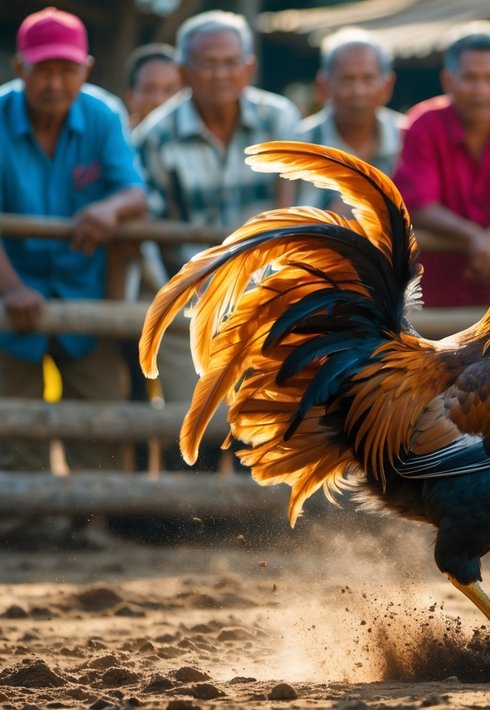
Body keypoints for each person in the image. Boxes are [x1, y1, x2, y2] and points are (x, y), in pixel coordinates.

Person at [133, 9, 301, 449]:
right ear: (184, 71)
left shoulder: (278, 118)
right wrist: (169, 294)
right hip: (189, 298)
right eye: (207, 63)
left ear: (249, 66)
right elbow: (147, 232)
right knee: (192, 426)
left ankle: (261, 517)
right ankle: (185, 519)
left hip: (270, 296)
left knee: (267, 420)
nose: (220, 73)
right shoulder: (156, 135)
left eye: (231, 62)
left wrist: (283, 288)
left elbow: (296, 205)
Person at [0, 7, 147, 480]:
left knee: (101, 411)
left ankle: (92, 528)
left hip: (85, 288)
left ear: (86, 69)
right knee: (13, 419)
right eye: (43, 69)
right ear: (20, 68)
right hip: (9, 292)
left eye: (67, 69)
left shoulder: (102, 114)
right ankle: (24, 526)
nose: (54, 82)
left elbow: (134, 190)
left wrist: (110, 208)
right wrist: (10, 289)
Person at [393, 21, 490, 308]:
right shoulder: (422, 125)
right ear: (448, 80)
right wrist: (476, 236)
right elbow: (418, 204)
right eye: (470, 77)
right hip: (434, 293)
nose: (480, 90)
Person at [294, 28, 403, 210]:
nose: (358, 92)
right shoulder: (299, 144)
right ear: (324, 86)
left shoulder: (409, 138)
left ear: (387, 86)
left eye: (368, 79)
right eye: (347, 79)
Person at [124, 43, 181, 129]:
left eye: (169, 91)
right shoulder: (116, 139)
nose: (158, 100)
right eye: (148, 90)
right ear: (130, 98)